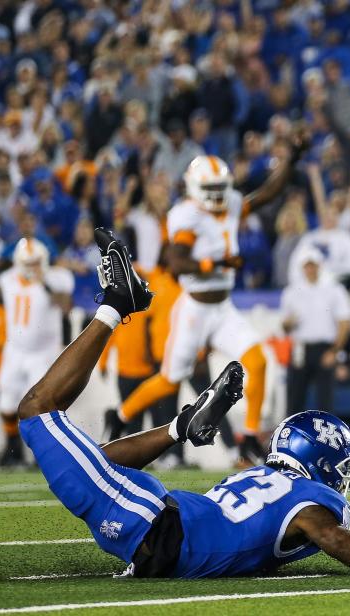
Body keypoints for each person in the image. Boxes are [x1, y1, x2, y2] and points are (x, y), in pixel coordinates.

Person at [14, 228, 350, 578]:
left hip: (154, 519)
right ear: (317, 459)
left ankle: (181, 425)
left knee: (72, 438)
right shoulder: (307, 502)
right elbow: (334, 537)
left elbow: (108, 461)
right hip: (152, 525)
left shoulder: (263, 480)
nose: (342, 477)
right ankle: (118, 304)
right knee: (36, 409)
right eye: (340, 463)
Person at [107, 127, 309, 466]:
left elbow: (268, 192)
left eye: (221, 188)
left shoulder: (230, 203)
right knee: (169, 380)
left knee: (257, 362)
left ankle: (246, 441)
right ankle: (120, 414)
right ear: (195, 188)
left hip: (223, 308)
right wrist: (216, 262)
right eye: (211, 189)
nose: (218, 195)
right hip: (195, 309)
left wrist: (292, 160)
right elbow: (176, 262)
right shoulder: (184, 214)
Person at [0, 238, 73, 467]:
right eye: (28, 263)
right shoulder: (6, 280)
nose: (32, 267)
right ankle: (12, 449)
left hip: (43, 352)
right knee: (6, 403)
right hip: (15, 350)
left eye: (36, 262)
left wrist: (44, 283)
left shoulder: (58, 278)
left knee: (42, 406)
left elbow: (66, 305)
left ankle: (43, 455)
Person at [281, 247, 350, 412]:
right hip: (300, 348)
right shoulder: (292, 292)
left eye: (313, 265)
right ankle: (293, 436)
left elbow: (344, 322)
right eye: (307, 266)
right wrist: (289, 323)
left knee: (325, 401)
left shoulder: (334, 289)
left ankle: (325, 437)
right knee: (294, 399)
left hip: (324, 348)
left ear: (320, 266)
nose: (310, 270)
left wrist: (334, 351)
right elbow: (284, 327)